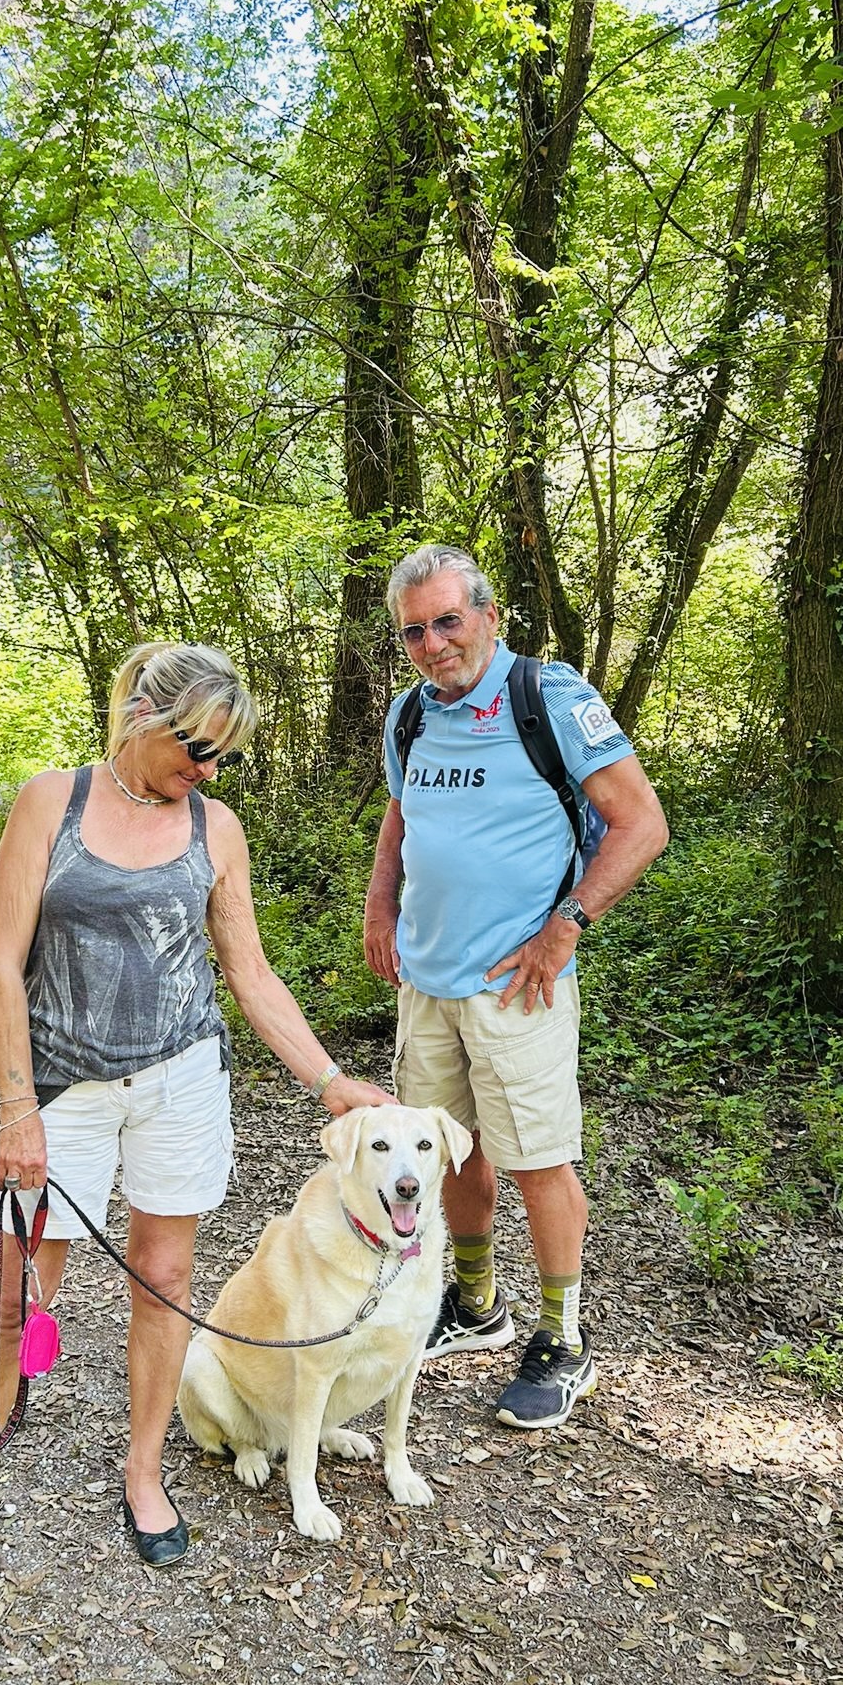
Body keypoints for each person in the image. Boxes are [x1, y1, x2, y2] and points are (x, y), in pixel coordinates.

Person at [0, 641, 395, 1583]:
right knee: (18, 1290)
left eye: (223, 756)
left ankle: (143, 1473)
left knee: (164, 1276)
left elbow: (248, 975)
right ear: (140, 714)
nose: (205, 770)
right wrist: (19, 1111)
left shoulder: (217, 828)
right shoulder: (53, 800)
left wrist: (329, 1080)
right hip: (62, 1084)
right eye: (194, 746)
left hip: (179, 1079)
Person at [363, 545, 668, 1429]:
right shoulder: (410, 716)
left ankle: (564, 1340)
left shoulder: (550, 698)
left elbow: (641, 822)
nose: (432, 644)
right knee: (446, 1155)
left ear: (489, 616)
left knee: (537, 1158)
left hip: (518, 984)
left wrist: (565, 924)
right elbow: (401, 812)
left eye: (448, 621)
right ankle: (473, 1304)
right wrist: (380, 906)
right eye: (414, 631)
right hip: (427, 978)